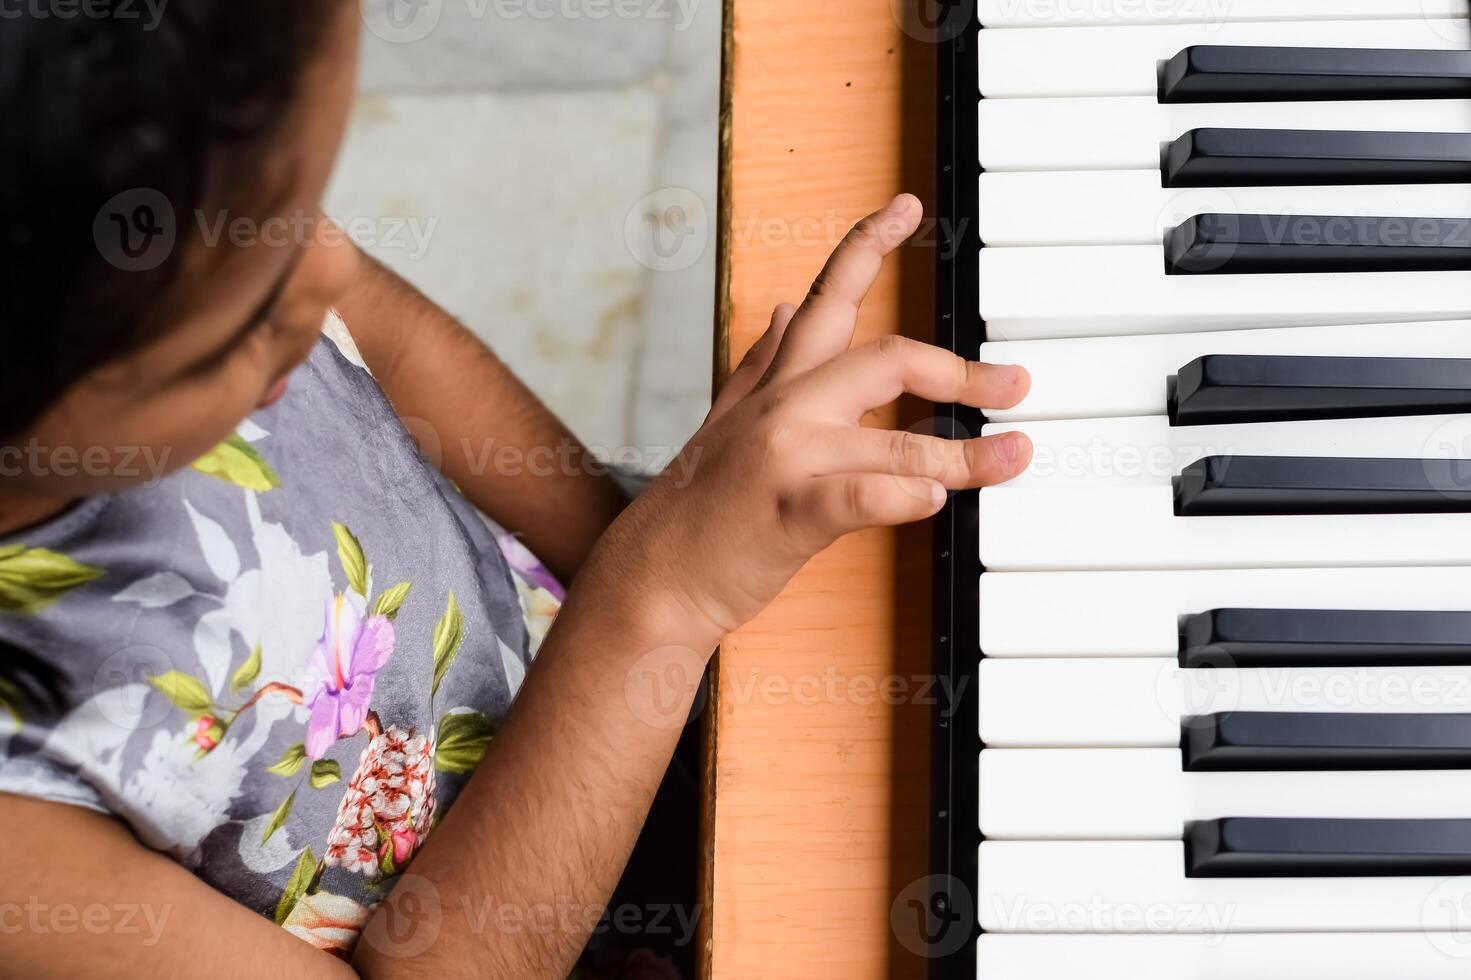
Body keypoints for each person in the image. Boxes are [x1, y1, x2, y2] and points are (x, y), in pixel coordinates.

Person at [0, 2, 1033, 977]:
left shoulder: (196, 238)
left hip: (605, 632)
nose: (320, 280)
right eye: (240, 324)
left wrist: (647, 537)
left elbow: (382, 328)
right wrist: (663, 597)